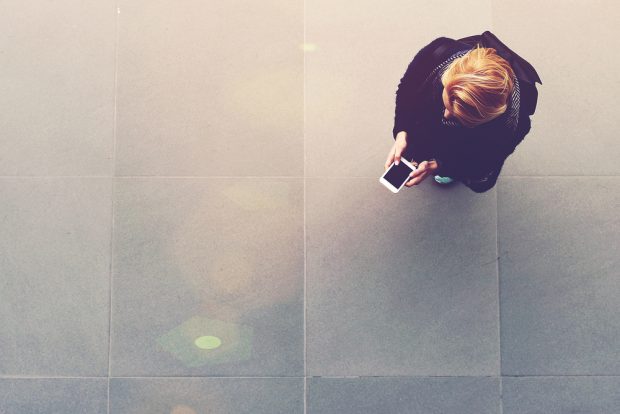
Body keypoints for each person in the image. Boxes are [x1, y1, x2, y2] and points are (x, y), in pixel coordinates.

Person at [384, 31, 542, 193]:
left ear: (488, 118)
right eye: (446, 103)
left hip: (467, 144)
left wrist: (440, 165)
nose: (445, 115)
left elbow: (483, 162)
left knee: (472, 175)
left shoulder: (513, 125)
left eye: (458, 116)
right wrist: (402, 132)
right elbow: (407, 90)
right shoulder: (437, 52)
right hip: (430, 126)